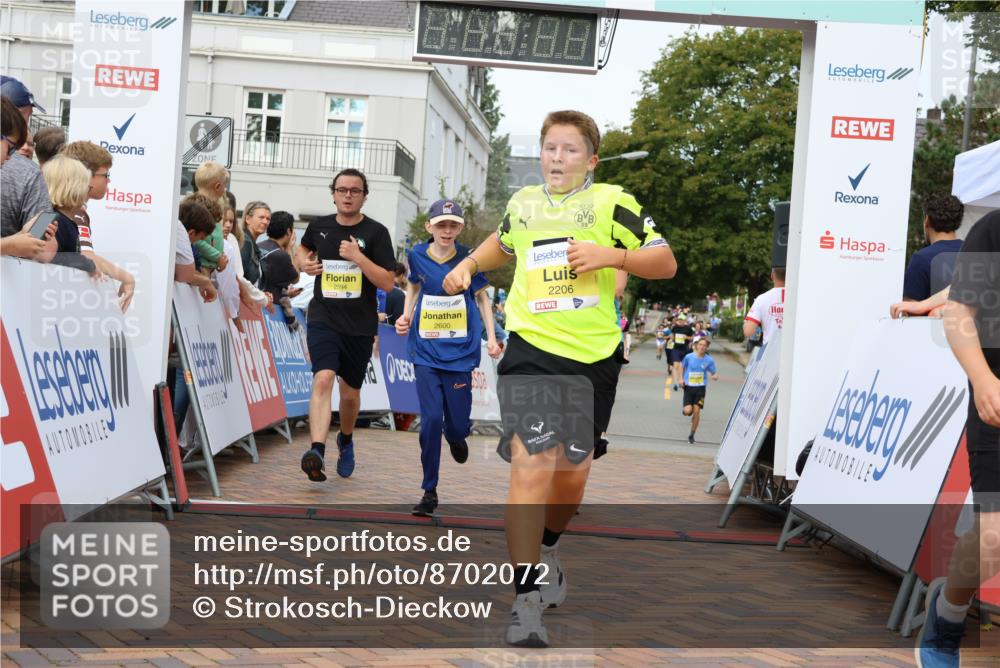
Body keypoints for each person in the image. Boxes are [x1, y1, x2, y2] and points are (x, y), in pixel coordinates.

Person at [441, 110, 676, 647]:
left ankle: (549, 546)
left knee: (571, 475)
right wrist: (469, 267)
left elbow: (665, 262)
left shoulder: (614, 202)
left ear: (590, 160)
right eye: (550, 148)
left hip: (592, 357)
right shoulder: (522, 204)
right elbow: (502, 244)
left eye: (570, 150)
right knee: (529, 464)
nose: (557, 159)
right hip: (530, 348)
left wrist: (612, 255)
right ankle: (525, 603)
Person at [915, 208, 1000, 667]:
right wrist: (984, 380)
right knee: (995, 537)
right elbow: (959, 311)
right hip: (998, 404)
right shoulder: (995, 229)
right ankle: (946, 619)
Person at [395, 199, 501, 516]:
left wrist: (493, 339)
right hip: (425, 353)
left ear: (460, 228)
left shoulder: (470, 258)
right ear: (429, 226)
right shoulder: (416, 255)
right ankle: (429, 490)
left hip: (460, 355)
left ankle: (457, 436)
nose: (447, 230)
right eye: (441, 224)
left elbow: (482, 299)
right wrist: (406, 316)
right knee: (429, 422)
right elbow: (414, 287)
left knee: (455, 425)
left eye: (453, 224)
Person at [296, 168, 396, 483]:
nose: (348, 195)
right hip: (324, 317)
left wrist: (358, 257)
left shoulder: (377, 233)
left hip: (360, 324)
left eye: (354, 190)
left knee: (350, 394)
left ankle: (347, 439)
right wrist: (304, 263)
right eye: (342, 190)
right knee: (323, 379)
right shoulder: (319, 226)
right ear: (334, 193)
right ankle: (316, 450)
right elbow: (302, 250)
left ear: (364, 195)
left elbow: (388, 283)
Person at [59, 141, 136, 311]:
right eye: (106, 175)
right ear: (87, 176)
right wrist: (127, 277)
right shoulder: (74, 211)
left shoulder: (70, 209)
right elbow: (87, 256)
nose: (108, 181)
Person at [0, 97, 56, 260]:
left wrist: (23, 236)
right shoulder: (30, 173)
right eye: (11, 148)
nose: (10, 158)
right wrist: (11, 244)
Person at [39, 156, 98, 275]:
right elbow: (45, 257)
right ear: (72, 187)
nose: (89, 189)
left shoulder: (69, 221)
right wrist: (87, 264)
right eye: (86, 185)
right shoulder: (48, 219)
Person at [902, 193, 964, 303]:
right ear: (958, 222)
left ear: (927, 220)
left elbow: (910, 307)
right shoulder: (977, 252)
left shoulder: (921, 258)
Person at [259, 210, 302, 330]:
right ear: (289, 231)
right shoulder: (280, 255)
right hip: (268, 313)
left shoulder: (258, 246)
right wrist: (289, 249)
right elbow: (296, 278)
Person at [191, 161, 230, 273]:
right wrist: (218, 257)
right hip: (201, 267)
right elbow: (196, 240)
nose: (225, 190)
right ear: (217, 186)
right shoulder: (200, 209)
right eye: (225, 185)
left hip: (209, 265)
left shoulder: (211, 208)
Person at [680, 337, 719, 444]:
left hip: (700, 389)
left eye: (704, 345)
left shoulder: (709, 360)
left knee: (697, 411)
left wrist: (715, 376)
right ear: (696, 345)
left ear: (707, 348)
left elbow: (713, 372)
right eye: (700, 344)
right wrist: (681, 379)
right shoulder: (689, 357)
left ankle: (692, 434)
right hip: (688, 387)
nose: (702, 347)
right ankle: (688, 410)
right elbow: (682, 366)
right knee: (688, 411)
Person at [743, 267, 785, 345]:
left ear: (772, 275)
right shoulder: (800, 299)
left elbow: (748, 332)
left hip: (770, 353)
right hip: (796, 353)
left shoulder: (762, 299)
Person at [240, 200, 271, 287]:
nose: (265, 222)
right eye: (261, 217)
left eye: (268, 219)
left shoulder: (252, 244)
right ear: (247, 219)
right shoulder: (245, 242)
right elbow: (241, 278)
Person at [670, 313, 694, 391]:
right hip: (676, 348)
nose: (681, 321)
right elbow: (672, 336)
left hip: (685, 349)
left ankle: (682, 381)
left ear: (685, 321)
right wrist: (672, 339)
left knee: (683, 366)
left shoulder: (688, 328)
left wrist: (686, 337)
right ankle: (676, 383)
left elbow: (692, 338)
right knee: (675, 365)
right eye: (679, 320)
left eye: (682, 320)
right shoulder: (675, 327)